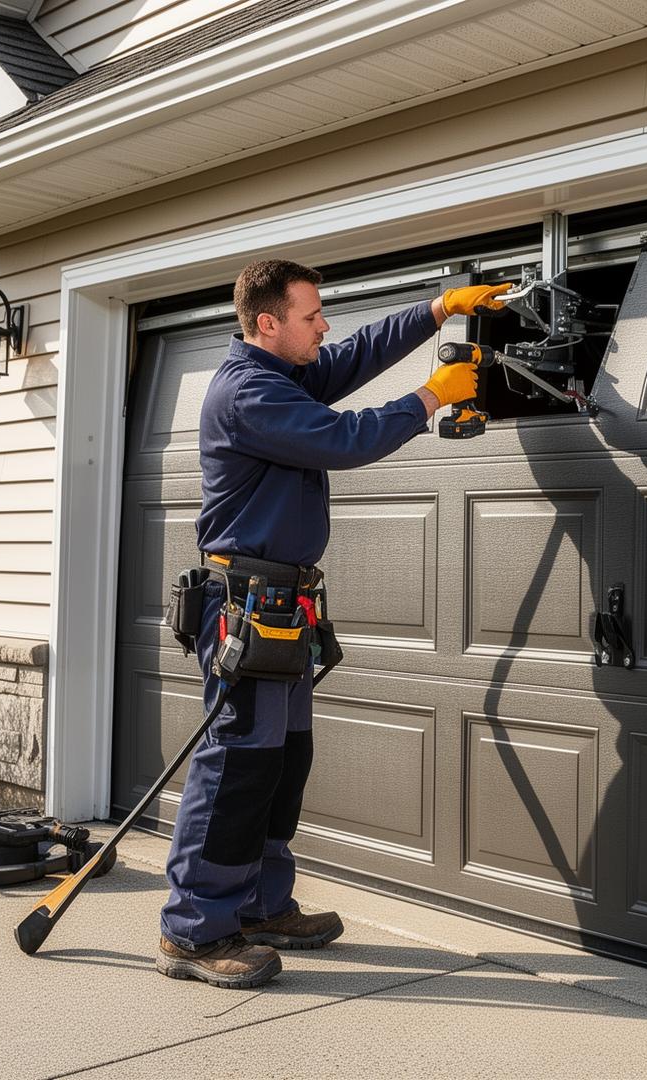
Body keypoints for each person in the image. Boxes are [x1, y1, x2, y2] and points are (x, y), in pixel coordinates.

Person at [157, 258, 506, 989]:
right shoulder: (249, 392)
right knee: (236, 769)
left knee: (282, 761)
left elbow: (352, 357)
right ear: (267, 324)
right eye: (311, 316)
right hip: (244, 611)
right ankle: (194, 930)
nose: (325, 327)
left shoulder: (281, 373)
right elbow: (344, 441)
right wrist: (430, 396)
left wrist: (437, 308)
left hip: (285, 606)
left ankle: (259, 904)